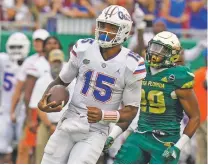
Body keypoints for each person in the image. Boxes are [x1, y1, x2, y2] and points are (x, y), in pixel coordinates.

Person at [38, 5, 146, 164]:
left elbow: (131, 111)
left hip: (96, 130)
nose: (104, 30)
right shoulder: (83, 48)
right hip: (69, 120)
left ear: (124, 31)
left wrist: (103, 115)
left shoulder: (132, 64)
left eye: (111, 27)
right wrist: (45, 99)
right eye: (102, 25)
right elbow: (61, 81)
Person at [104, 31, 200, 164]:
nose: (156, 52)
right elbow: (130, 110)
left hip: (165, 141)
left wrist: (178, 147)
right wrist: (112, 135)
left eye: (162, 49)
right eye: (154, 47)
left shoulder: (178, 77)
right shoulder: (141, 70)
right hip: (140, 134)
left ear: (172, 54)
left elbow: (195, 117)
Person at [9, 29, 49, 164]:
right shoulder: (30, 62)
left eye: (41, 41)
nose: (38, 44)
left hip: (47, 112)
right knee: (24, 147)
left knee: (41, 149)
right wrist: (12, 110)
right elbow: (19, 89)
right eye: (36, 41)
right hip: (30, 110)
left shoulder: (53, 61)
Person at [28, 49, 76, 163]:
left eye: (58, 62)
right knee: (41, 150)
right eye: (54, 62)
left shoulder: (72, 81)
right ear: (49, 62)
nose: (56, 65)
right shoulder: (42, 81)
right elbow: (38, 105)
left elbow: (73, 104)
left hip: (67, 124)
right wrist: (50, 126)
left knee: (66, 157)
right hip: (47, 124)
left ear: (63, 63)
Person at [0, 32, 30, 163]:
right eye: (13, 47)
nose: (16, 50)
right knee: (3, 148)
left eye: (19, 47)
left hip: (24, 111)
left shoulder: (31, 62)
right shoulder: (3, 60)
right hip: (5, 110)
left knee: (25, 148)